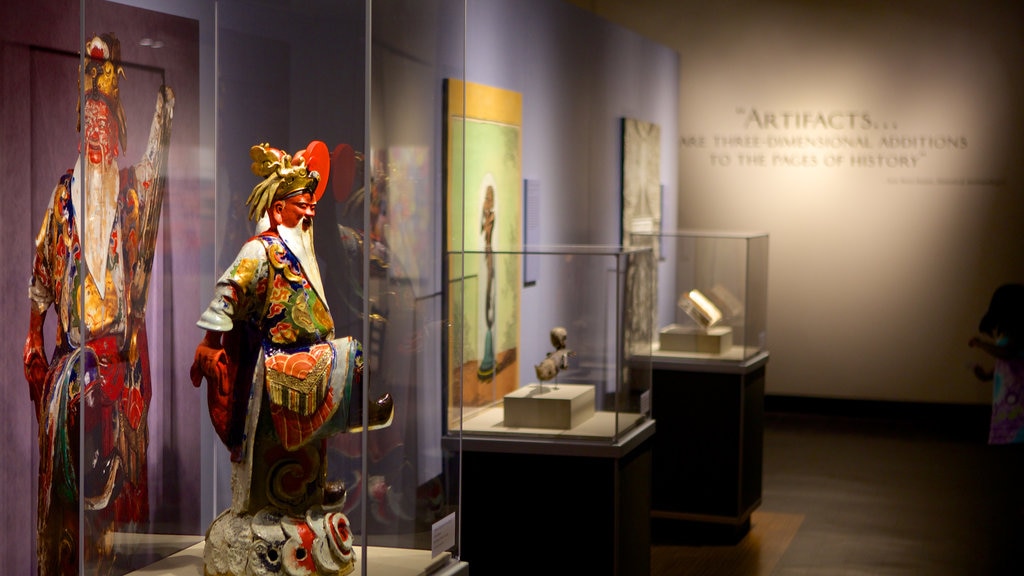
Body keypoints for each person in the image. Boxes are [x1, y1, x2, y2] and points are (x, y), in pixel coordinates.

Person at [190, 141, 393, 576]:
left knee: (320, 412)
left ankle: (309, 492)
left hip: (306, 358)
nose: (311, 212)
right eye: (302, 205)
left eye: (311, 205)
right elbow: (227, 296)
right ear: (279, 209)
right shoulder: (260, 250)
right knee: (286, 430)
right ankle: (284, 500)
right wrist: (210, 344)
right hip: (276, 368)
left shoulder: (304, 247)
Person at [22, 33, 174, 575]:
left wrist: (164, 118)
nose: (96, 133)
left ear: (118, 131)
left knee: (119, 513)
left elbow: (156, 176)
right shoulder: (64, 195)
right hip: (72, 368)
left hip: (119, 367)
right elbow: (41, 273)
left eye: (105, 123)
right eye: (89, 122)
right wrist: (32, 336)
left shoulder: (132, 194)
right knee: (66, 510)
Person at [969, 283, 1024, 445]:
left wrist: (980, 344)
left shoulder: (1018, 331)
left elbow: (1008, 353)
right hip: (1008, 397)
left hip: (1017, 398)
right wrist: (988, 375)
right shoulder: (1011, 329)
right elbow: (1008, 362)